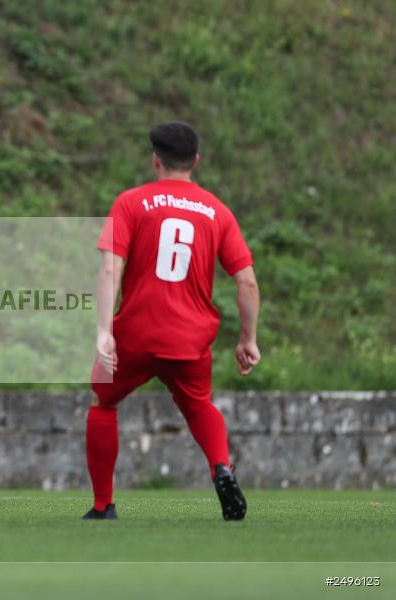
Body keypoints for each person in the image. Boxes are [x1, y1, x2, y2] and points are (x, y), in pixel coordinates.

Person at [86, 122, 260, 521]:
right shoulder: (218, 211)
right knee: (199, 406)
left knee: (103, 400)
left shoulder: (130, 203)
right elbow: (247, 281)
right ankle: (220, 467)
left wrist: (103, 331)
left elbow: (111, 270)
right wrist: (247, 339)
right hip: (190, 339)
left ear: (155, 160)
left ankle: (103, 506)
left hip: (136, 333)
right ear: (195, 161)